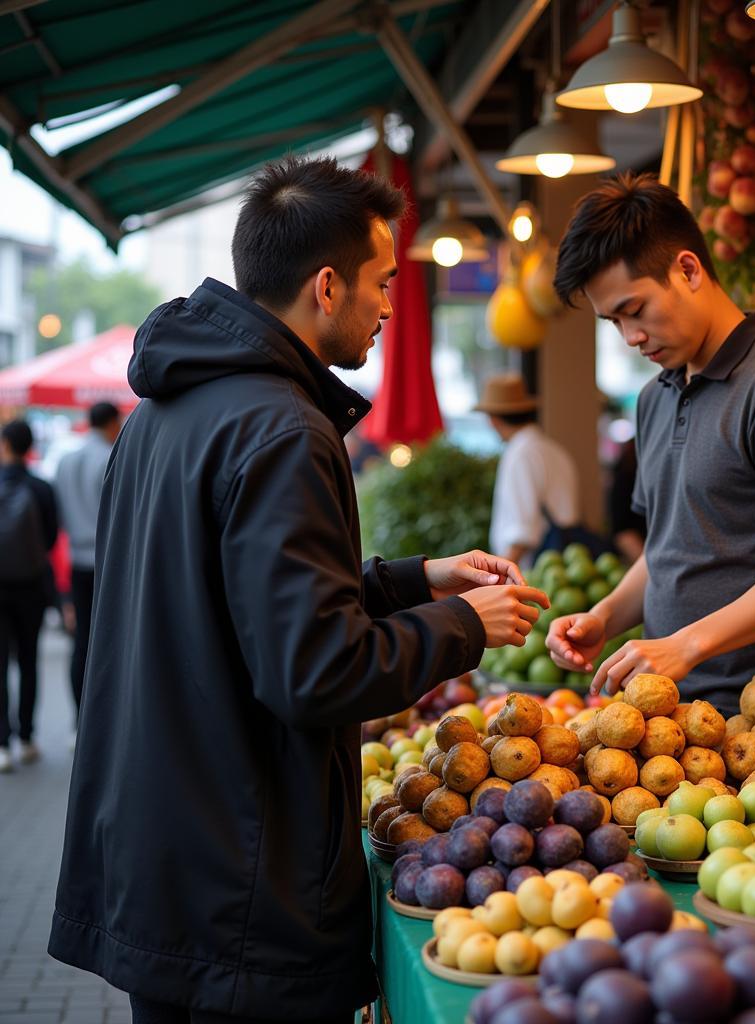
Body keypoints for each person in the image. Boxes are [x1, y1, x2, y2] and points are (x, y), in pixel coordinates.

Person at [48, 156, 547, 1024]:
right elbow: (314, 669)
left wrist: (414, 581)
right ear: (327, 285)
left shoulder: (165, 413)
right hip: (243, 890)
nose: (391, 307)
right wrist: (465, 623)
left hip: (167, 862)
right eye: (383, 283)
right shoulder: (283, 429)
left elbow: (231, 605)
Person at [546, 173, 755, 714]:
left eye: (635, 310)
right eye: (613, 320)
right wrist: (606, 615)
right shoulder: (653, 398)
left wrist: (687, 644)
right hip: (662, 717)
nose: (630, 337)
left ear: (687, 269)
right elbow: (668, 549)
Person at [53, 401, 123, 732]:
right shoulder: (112, 457)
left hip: (75, 561)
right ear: (111, 423)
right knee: (111, 638)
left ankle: (78, 721)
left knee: (80, 641)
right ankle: (104, 720)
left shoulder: (66, 461)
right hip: (108, 561)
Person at [475, 372, 581, 565]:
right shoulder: (552, 448)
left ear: (494, 419)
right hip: (564, 560)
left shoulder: (520, 454)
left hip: (535, 567)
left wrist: (501, 575)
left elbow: (522, 530)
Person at [0, 418, 58, 772]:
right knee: (28, 660)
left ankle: (2, 743)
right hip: (32, 585)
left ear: (5, 445)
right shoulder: (41, 487)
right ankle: (28, 737)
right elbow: (51, 538)